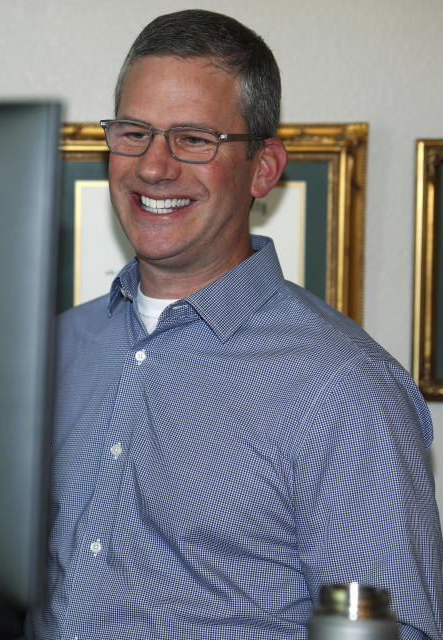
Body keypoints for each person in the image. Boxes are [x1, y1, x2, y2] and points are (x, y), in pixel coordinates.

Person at [27, 9, 442, 640]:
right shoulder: (54, 349)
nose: (154, 167)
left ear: (265, 168)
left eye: (193, 139)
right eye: (134, 132)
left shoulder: (347, 390)